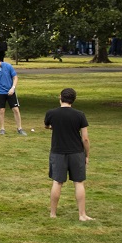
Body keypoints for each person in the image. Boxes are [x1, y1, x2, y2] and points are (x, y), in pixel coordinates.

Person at [45, 88, 93, 221]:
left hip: (58, 152)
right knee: (79, 183)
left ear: (60, 97)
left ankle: (53, 214)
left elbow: (48, 126)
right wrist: (87, 155)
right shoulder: (80, 115)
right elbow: (85, 138)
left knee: (57, 182)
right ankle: (82, 215)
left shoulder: (51, 113)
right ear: (74, 100)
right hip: (76, 152)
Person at [0, 55, 26, 135]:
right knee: (1, 110)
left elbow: (15, 77)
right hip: (0, 93)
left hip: (10, 92)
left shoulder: (8, 66)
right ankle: (2, 128)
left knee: (16, 109)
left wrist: (13, 88)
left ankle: (19, 128)